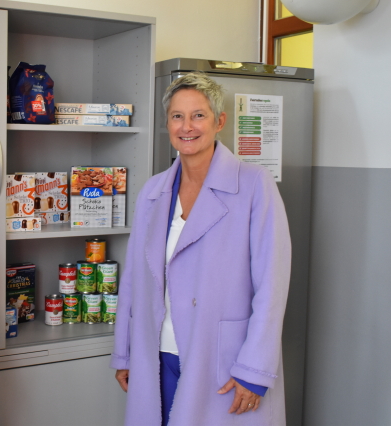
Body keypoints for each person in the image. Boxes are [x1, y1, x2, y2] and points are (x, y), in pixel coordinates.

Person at [110, 72, 291, 425]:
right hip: (158, 355)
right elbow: (133, 282)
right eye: (177, 116)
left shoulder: (255, 185)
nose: (186, 126)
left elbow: (272, 286)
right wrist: (125, 353)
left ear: (219, 121)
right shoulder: (152, 192)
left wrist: (254, 370)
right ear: (167, 124)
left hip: (222, 359)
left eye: (198, 115)